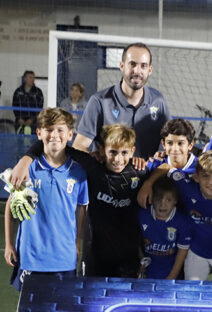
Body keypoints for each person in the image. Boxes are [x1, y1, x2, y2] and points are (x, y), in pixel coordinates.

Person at [3, 108, 88, 290]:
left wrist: (76, 243)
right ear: (39, 133)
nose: (54, 135)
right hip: (31, 256)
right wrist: (9, 244)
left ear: (70, 134)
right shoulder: (27, 169)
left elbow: (81, 209)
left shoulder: (78, 172)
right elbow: (10, 205)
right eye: (49, 130)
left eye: (60, 130)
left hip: (64, 258)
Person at [75, 43, 171, 159]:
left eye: (143, 66)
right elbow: (79, 145)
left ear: (150, 70)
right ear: (122, 66)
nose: (137, 71)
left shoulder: (158, 101)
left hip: (149, 176)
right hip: (109, 176)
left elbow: (170, 141)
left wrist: (160, 156)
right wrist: (94, 161)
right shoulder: (99, 101)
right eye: (132, 64)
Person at [79, 124, 151, 278]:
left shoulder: (140, 173)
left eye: (124, 152)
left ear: (132, 151)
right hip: (95, 256)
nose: (118, 159)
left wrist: (150, 183)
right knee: (89, 300)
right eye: (112, 152)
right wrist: (27, 159)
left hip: (128, 257)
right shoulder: (92, 169)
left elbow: (166, 166)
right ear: (101, 150)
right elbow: (61, 151)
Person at [170, 150, 212, 281]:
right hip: (196, 250)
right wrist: (148, 184)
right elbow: (166, 168)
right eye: (206, 176)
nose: (211, 182)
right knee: (191, 291)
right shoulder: (187, 188)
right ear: (196, 177)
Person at [138, 176, 192, 280]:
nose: (163, 204)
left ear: (175, 201)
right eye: (158, 198)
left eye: (168, 199)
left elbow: (182, 254)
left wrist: (171, 278)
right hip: (148, 274)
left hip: (172, 275)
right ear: (152, 198)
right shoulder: (142, 215)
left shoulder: (182, 222)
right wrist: (141, 263)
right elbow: (136, 242)